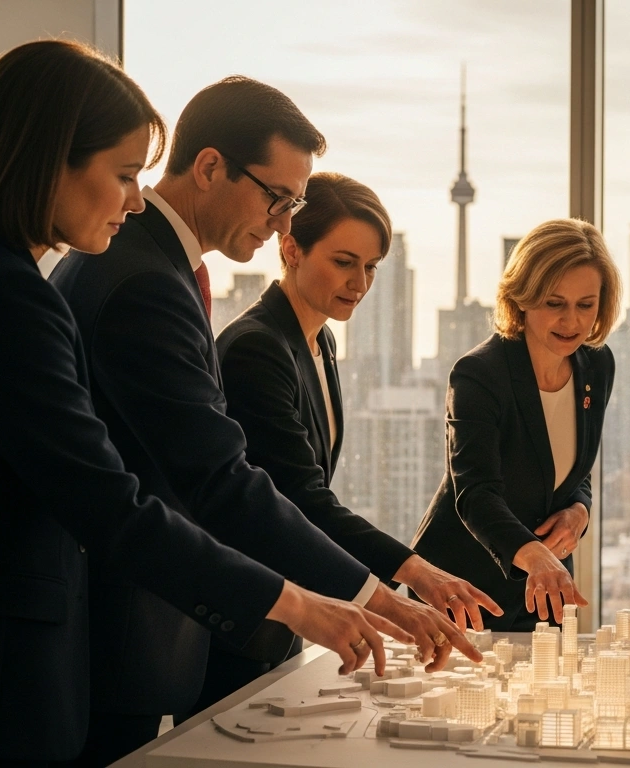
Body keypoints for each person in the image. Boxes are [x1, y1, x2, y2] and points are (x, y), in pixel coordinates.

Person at [0, 40, 405, 765]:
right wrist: (304, 602)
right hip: (0, 664)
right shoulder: (10, 295)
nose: (132, 195)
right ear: (49, 158)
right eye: (122, 173)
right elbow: (116, 501)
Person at [48, 77, 479, 766]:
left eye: (294, 203)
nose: (283, 221)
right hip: (121, 623)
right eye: (276, 197)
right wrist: (372, 599)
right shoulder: (144, 282)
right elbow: (219, 480)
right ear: (211, 166)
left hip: (135, 619)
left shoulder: (152, 267)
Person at [190, 173, 501, 716]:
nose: (360, 281)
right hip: (242, 618)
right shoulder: (258, 348)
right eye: (343, 261)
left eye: (372, 266)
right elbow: (300, 498)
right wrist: (414, 573)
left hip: (287, 617)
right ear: (290, 248)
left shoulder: (319, 338)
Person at [411, 218, 620, 630]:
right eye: (554, 303)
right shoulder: (479, 374)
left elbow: (573, 468)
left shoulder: (597, 362)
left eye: (586, 304)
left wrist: (580, 510)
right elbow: (475, 493)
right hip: (464, 586)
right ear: (522, 298)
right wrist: (535, 555)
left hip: (548, 587)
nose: (572, 322)